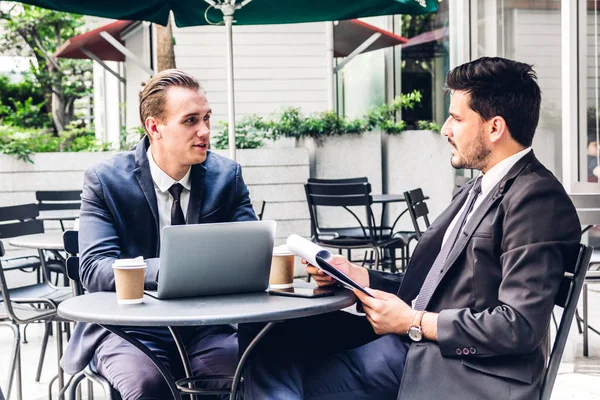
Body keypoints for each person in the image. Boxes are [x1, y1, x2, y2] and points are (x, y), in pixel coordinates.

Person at [240, 57, 581, 400]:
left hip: (460, 371)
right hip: (413, 347)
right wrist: (361, 276)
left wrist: (412, 322)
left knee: (276, 374)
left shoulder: (536, 199)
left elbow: (518, 325)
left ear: (494, 128)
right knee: (269, 334)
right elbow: (434, 290)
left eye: (457, 118)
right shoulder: (477, 188)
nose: (445, 129)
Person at [61, 69, 257, 399]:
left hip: (207, 325)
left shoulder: (227, 176)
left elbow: (253, 253)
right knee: (148, 385)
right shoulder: (106, 181)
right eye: (191, 120)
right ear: (155, 127)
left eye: (207, 118)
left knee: (237, 380)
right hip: (128, 329)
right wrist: (172, 268)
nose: (205, 131)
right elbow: (94, 269)